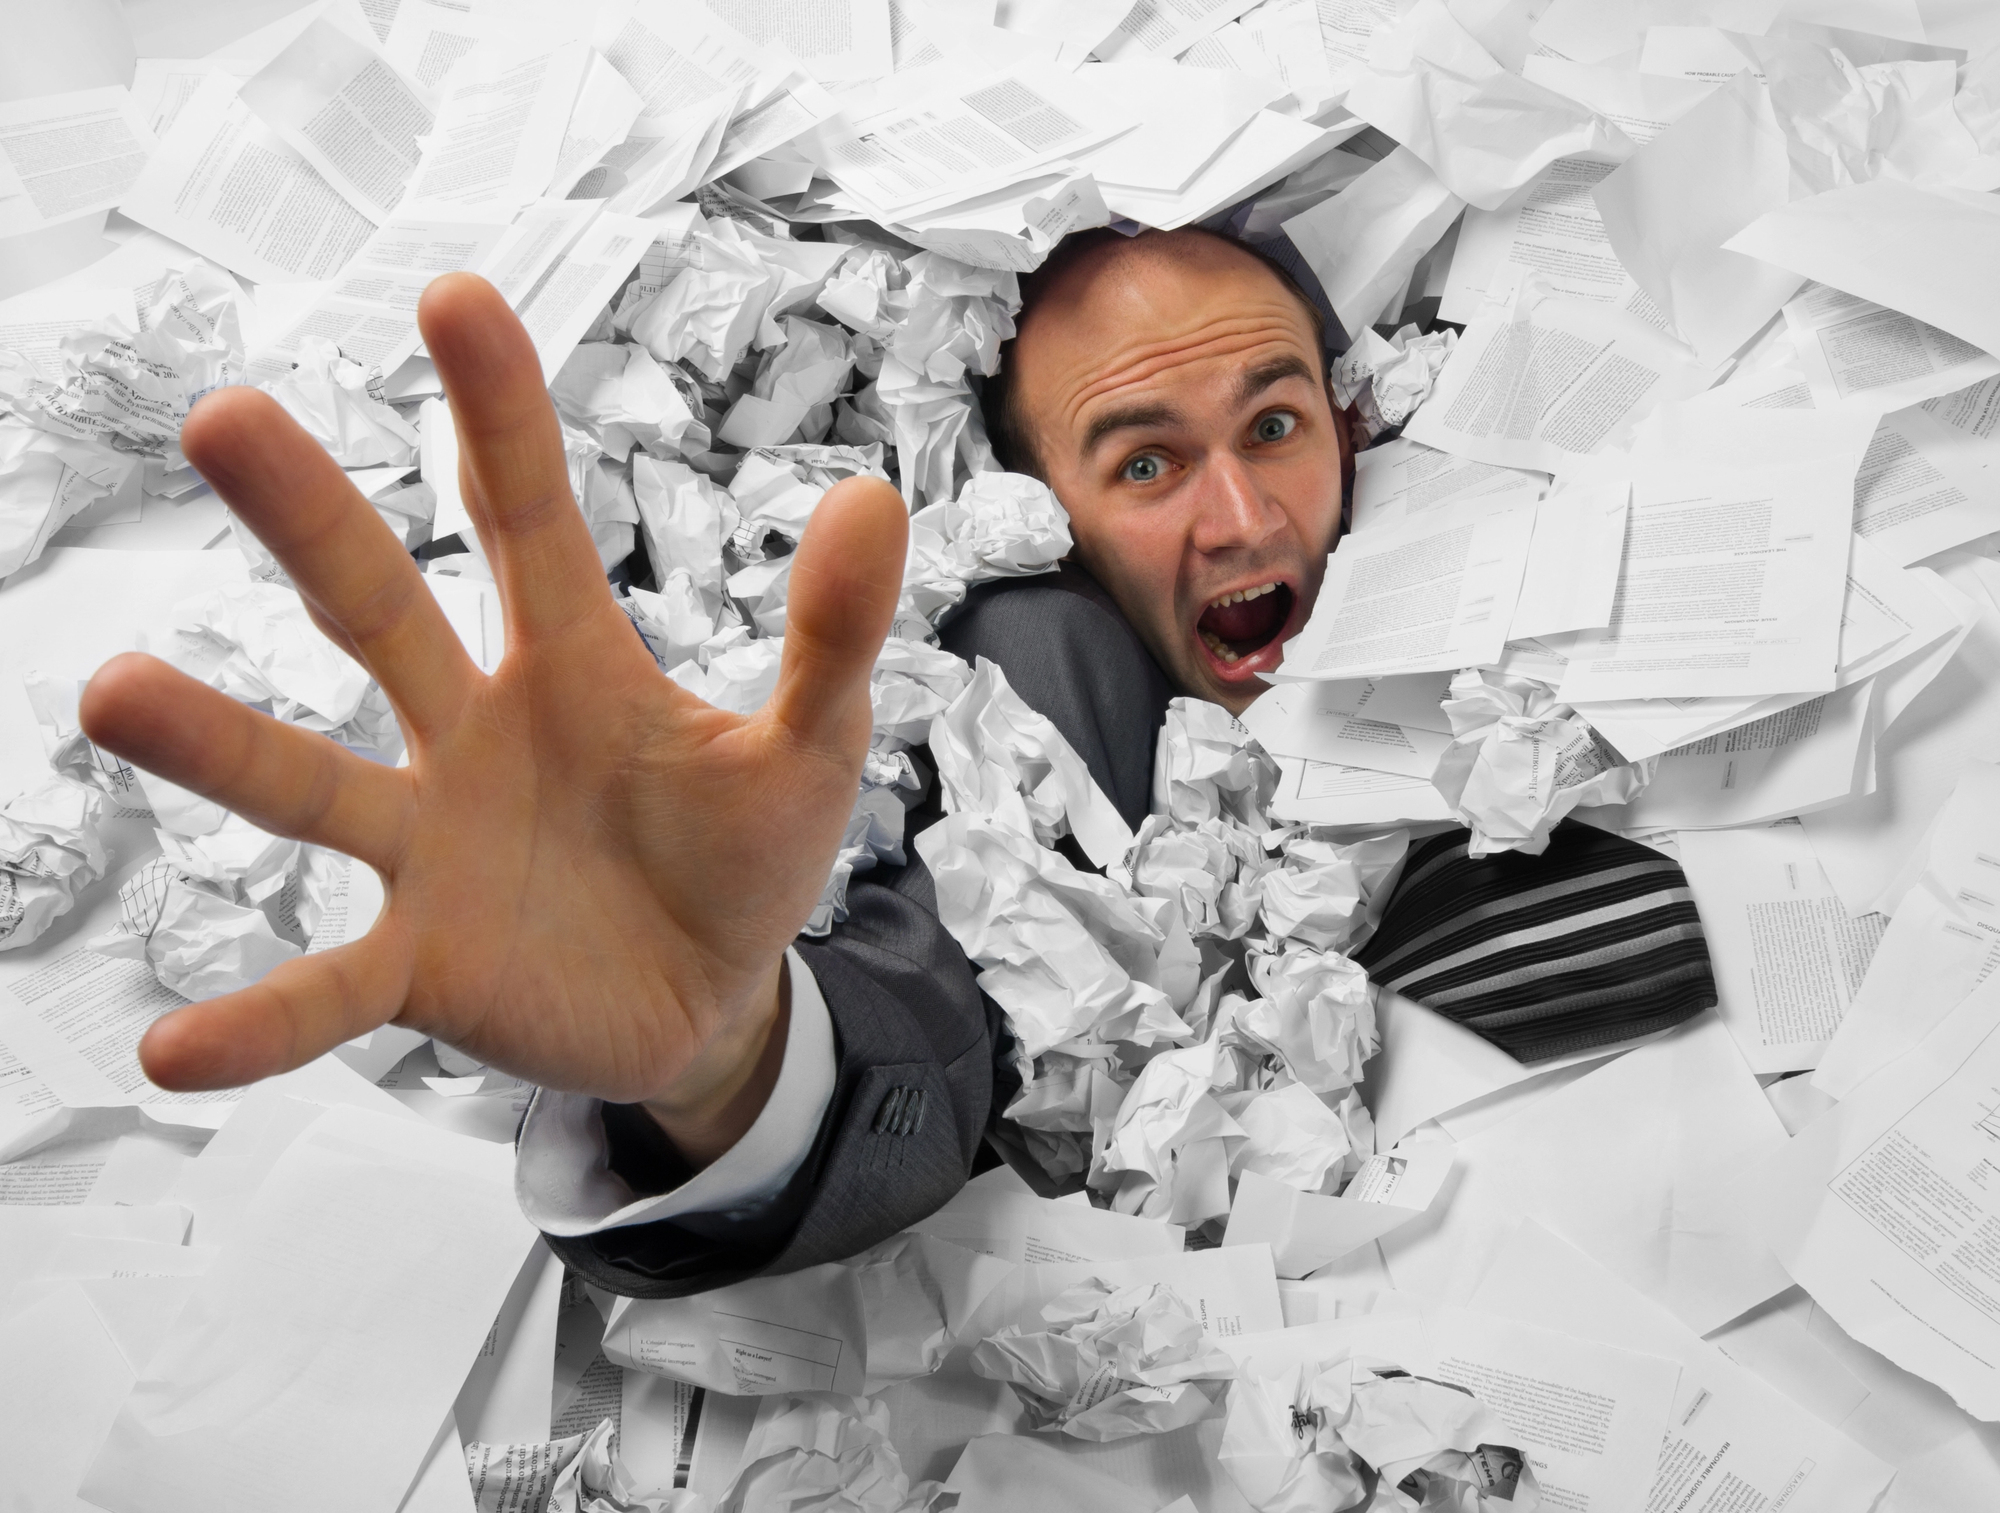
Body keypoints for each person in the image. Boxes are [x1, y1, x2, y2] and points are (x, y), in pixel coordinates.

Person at [77, 227, 1713, 1298]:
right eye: (1144, 460)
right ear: (1030, 504)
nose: (1243, 519)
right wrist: (721, 1058)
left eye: (1273, 425)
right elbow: (935, 1027)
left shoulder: (1505, 558)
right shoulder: (1050, 653)